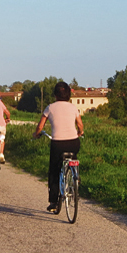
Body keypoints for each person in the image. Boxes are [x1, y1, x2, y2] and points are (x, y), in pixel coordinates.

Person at [32, 82, 84, 211]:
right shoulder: (73, 108)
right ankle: (75, 177)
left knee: (54, 171)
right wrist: (80, 132)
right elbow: (80, 125)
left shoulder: (50, 108)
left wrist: (36, 134)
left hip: (57, 144)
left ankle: (54, 202)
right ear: (69, 95)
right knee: (73, 157)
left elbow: (40, 126)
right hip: (73, 142)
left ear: (55, 95)